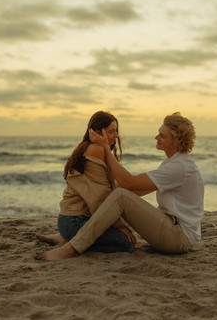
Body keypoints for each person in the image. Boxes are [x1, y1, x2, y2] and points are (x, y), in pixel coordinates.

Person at [43, 112, 204, 261]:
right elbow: (136, 190)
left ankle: (72, 248)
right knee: (119, 195)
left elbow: (128, 183)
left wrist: (106, 147)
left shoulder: (179, 167)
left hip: (177, 237)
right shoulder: (173, 163)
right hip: (171, 227)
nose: (156, 137)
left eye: (162, 136)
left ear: (175, 140)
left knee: (120, 195)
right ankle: (71, 234)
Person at [37, 111, 136, 256]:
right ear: (97, 132)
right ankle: (70, 241)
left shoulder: (87, 147)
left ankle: (65, 237)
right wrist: (119, 225)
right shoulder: (96, 149)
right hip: (76, 221)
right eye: (111, 131)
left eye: (116, 131)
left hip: (71, 219)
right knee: (127, 244)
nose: (116, 136)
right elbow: (99, 196)